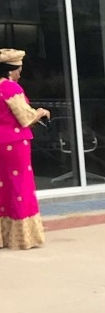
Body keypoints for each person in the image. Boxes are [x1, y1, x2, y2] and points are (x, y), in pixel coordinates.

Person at [0, 48, 50, 250]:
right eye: (19, 69)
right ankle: (23, 238)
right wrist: (41, 112)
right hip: (14, 143)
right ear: (11, 70)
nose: (20, 73)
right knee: (21, 185)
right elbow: (25, 117)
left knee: (3, 186)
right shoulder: (11, 88)